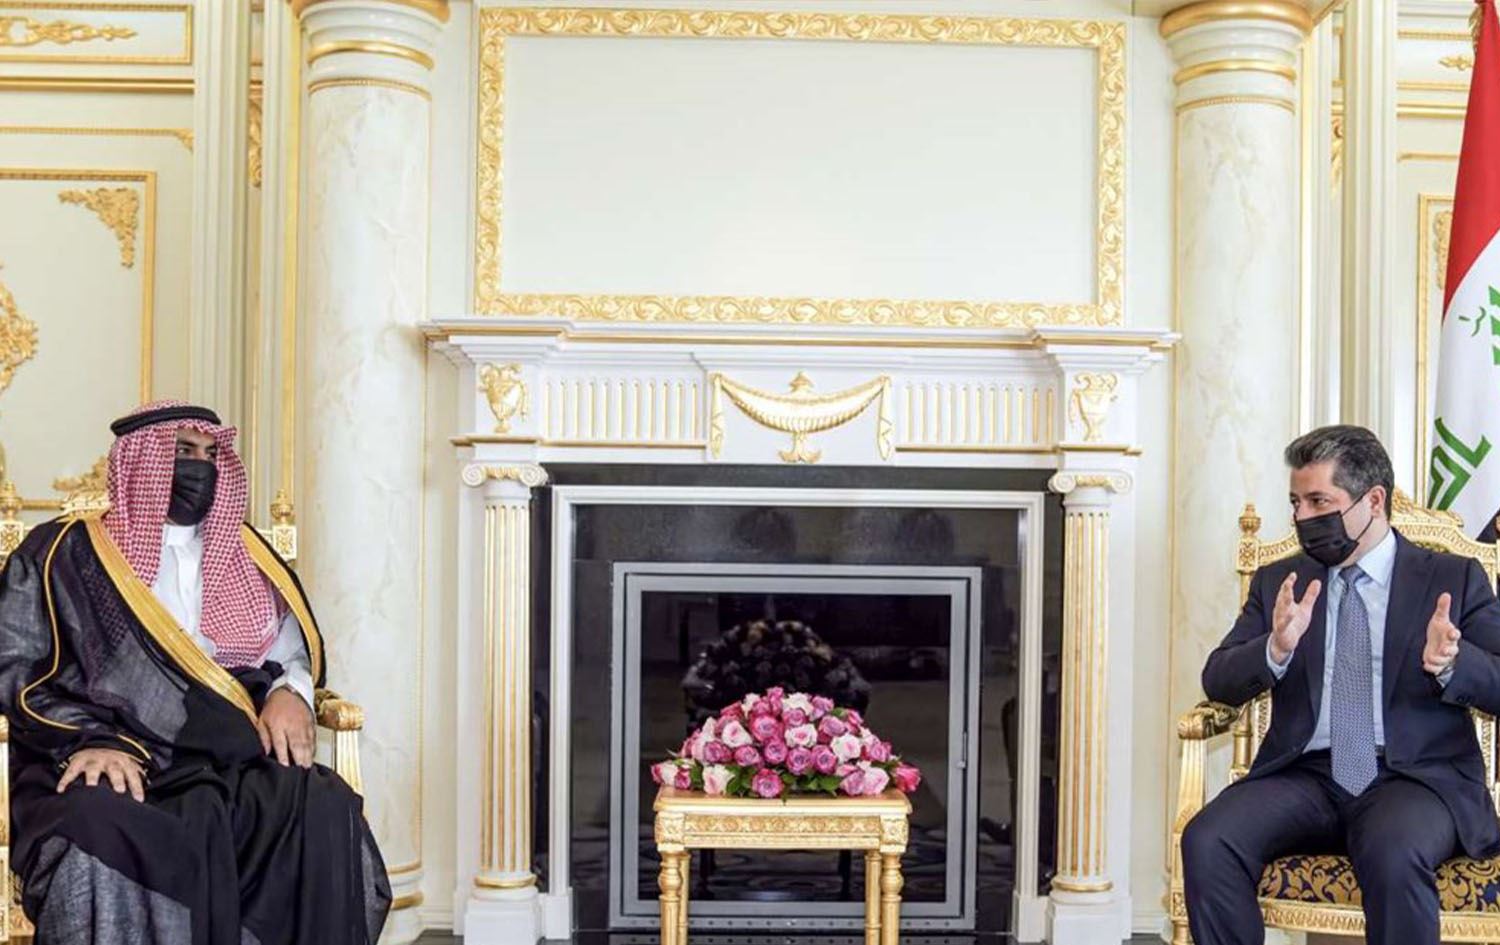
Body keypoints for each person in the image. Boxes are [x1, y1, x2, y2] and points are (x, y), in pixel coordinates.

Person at [0, 401, 389, 944]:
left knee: (323, 806)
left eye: (210, 454)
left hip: (227, 751)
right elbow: (16, 664)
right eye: (183, 451)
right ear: (141, 461)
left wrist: (292, 692)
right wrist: (92, 740)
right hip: (109, 749)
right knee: (97, 826)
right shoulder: (64, 552)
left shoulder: (247, 555)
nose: (199, 467)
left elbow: (293, 656)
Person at [1181, 424, 1500, 945]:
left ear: (1373, 501)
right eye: (1295, 503)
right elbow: (1218, 679)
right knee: (1208, 838)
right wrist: (1274, 650)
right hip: (1305, 775)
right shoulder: (1281, 581)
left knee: (1394, 851)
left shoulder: (1453, 578)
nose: (1302, 518)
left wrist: (1454, 663)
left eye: (1319, 502)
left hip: (1414, 778)